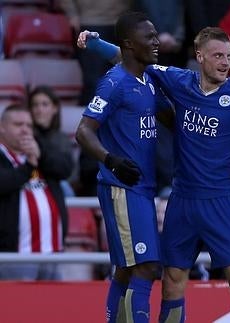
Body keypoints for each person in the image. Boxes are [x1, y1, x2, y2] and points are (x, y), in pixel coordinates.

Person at [79, 26, 230, 323]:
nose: (225, 62)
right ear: (200, 57)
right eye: (218, 55)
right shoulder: (178, 80)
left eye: (229, 56)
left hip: (222, 202)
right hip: (182, 201)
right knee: (172, 283)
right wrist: (94, 44)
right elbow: (128, 57)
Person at [75, 12, 170, 323]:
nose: (157, 41)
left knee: (129, 269)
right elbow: (83, 131)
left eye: (156, 35)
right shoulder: (114, 83)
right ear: (130, 45)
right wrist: (111, 160)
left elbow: (170, 118)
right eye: (149, 37)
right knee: (147, 267)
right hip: (122, 187)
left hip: (143, 187)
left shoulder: (148, 79)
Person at [0, 104, 70, 280]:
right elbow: (4, 183)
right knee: (19, 307)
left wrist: (41, 156)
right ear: (2, 127)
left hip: (53, 251)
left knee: (54, 306)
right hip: (15, 255)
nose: (25, 130)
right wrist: (29, 166)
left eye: (29, 126)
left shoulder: (40, 150)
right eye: (18, 124)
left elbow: (65, 169)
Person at [28, 86, 76, 197]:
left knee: (64, 186)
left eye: (45, 104)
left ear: (55, 108)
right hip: (31, 182)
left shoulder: (62, 139)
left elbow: (69, 174)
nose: (39, 109)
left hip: (57, 185)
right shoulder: (24, 136)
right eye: (35, 105)